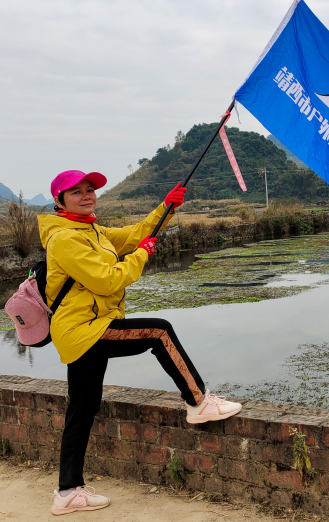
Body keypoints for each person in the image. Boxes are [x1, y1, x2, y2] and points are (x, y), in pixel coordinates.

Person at [40, 170, 241, 516]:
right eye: (77, 192)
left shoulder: (92, 230)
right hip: (85, 330)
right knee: (159, 331)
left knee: (83, 408)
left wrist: (166, 207)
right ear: (59, 201)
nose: (87, 196)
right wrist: (142, 255)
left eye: (90, 190)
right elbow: (107, 280)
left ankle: (68, 491)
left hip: (88, 328)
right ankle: (198, 401)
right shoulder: (64, 239)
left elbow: (134, 234)